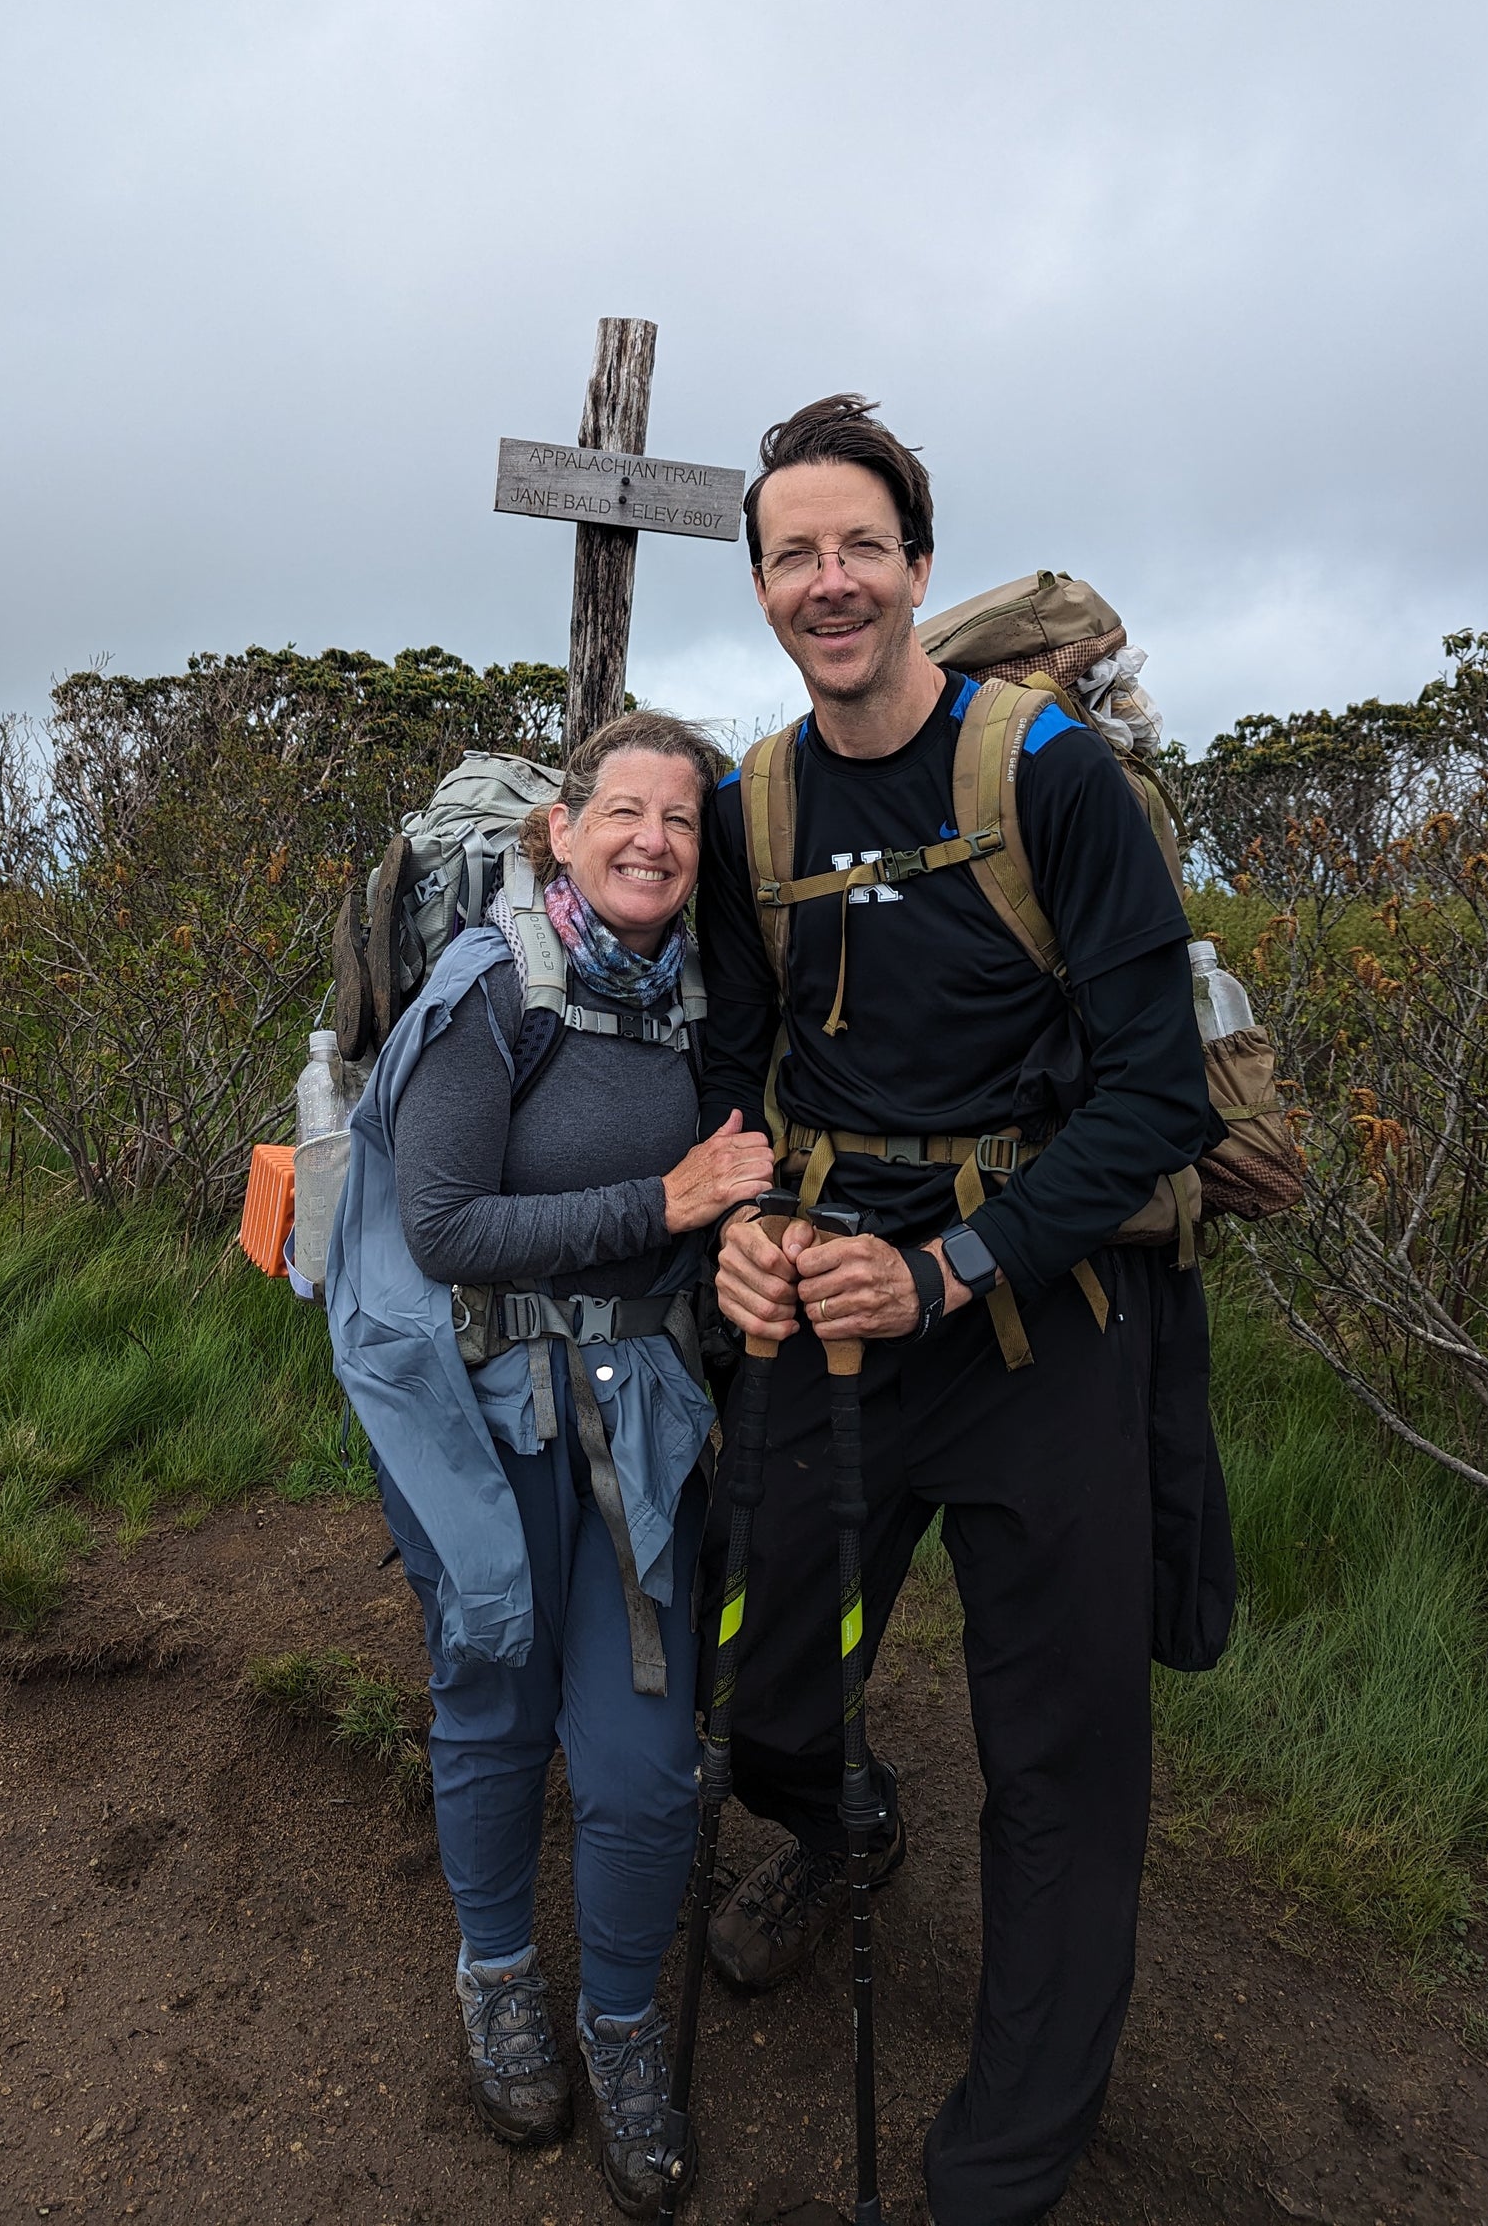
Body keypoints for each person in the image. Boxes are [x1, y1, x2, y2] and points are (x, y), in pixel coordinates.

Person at [695, 396, 1234, 2224]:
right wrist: (752, 1221)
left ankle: (994, 2175)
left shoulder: (1054, 779)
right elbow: (732, 1065)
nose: (827, 581)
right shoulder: (746, 805)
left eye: (858, 545)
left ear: (917, 563)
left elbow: (1159, 1098)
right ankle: (838, 1819)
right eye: (792, 553)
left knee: (1061, 1768)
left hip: (1041, 1331)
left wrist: (943, 1264)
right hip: (829, 1324)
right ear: (760, 582)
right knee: (752, 1679)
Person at [326, 711, 772, 2220]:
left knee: (646, 1764)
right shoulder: (485, 984)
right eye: (625, 811)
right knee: (493, 1699)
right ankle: (502, 1974)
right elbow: (445, 1228)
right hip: (491, 1414)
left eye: (683, 821)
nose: (653, 838)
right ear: (562, 828)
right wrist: (666, 1196)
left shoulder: (696, 995)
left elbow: (719, 1195)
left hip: (640, 1420)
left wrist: (740, 1228)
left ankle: (624, 2025)